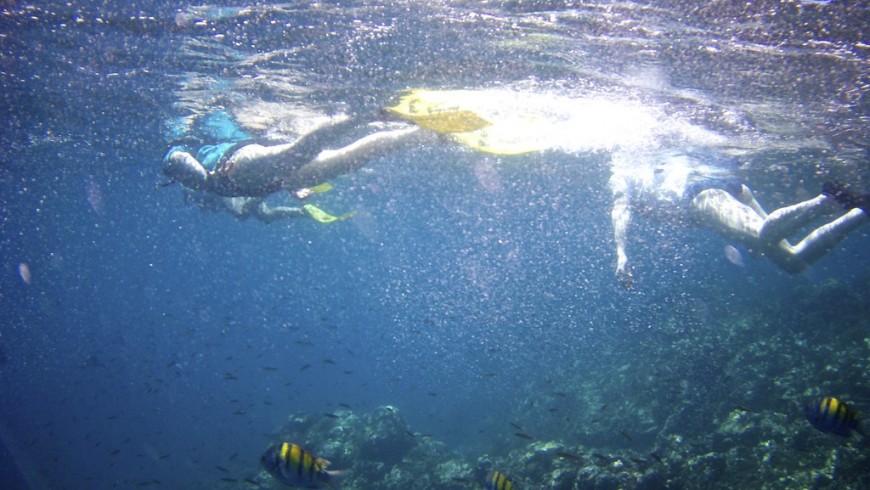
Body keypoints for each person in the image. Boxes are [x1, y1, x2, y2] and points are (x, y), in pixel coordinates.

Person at [609, 150, 869, 288]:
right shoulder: (642, 169)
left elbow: (620, 210)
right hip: (723, 192)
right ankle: (862, 211)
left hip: (703, 197)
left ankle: (827, 199)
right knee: (792, 261)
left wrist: (621, 254)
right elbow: (742, 191)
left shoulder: (620, 174)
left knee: (764, 236)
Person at [162, 110, 428, 200]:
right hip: (274, 181)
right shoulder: (200, 141)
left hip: (235, 170)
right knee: (350, 159)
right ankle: (425, 133)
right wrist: (290, 189)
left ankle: (370, 111)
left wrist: (207, 179)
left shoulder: (181, 146)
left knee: (298, 153)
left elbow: (175, 160)